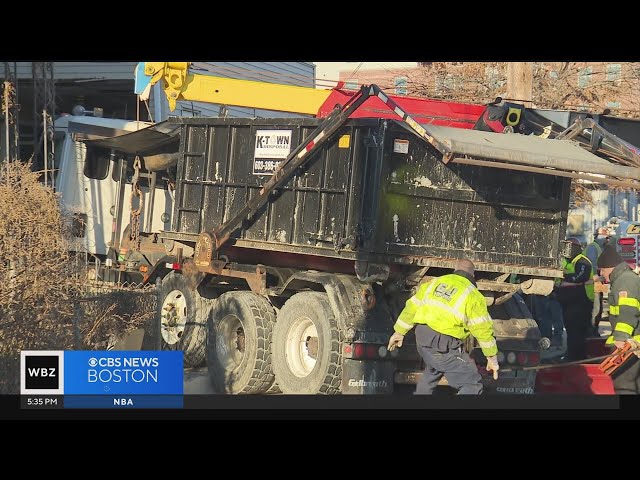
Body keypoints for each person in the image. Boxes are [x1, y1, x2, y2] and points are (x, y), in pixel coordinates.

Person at [387, 258, 498, 395]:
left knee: (434, 368)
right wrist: (491, 357)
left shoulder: (434, 283)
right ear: (473, 275)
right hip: (443, 345)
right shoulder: (473, 296)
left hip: (422, 340)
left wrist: (399, 332)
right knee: (472, 385)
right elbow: (483, 331)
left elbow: (412, 306)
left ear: (455, 270)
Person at [597, 245, 640, 394]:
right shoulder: (623, 279)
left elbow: (628, 312)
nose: (601, 274)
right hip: (632, 344)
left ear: (610, 267)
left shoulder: (625, 281)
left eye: (601, 269)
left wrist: (621, 338)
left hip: (630, 344)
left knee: (623, 384)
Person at [555, 238, 595, 361]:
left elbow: (579, 277)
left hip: (582, 302)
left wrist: (564, 278)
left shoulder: (583, 261)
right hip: (570, 303)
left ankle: (576, 357)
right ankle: (572, 355)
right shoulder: (569, 262)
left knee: (577, 333)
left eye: (569, 247)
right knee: (571, 332)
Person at [584, 227, 610, 336]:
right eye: (606, 237)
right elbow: (592, 264)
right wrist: (597, 277)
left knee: (598, 309)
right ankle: (591, 332)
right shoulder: (592, 247)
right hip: (591, 285)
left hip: (596, 285)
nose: (607, 240)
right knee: (595, 309)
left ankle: (594, 331)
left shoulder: (599, 248)